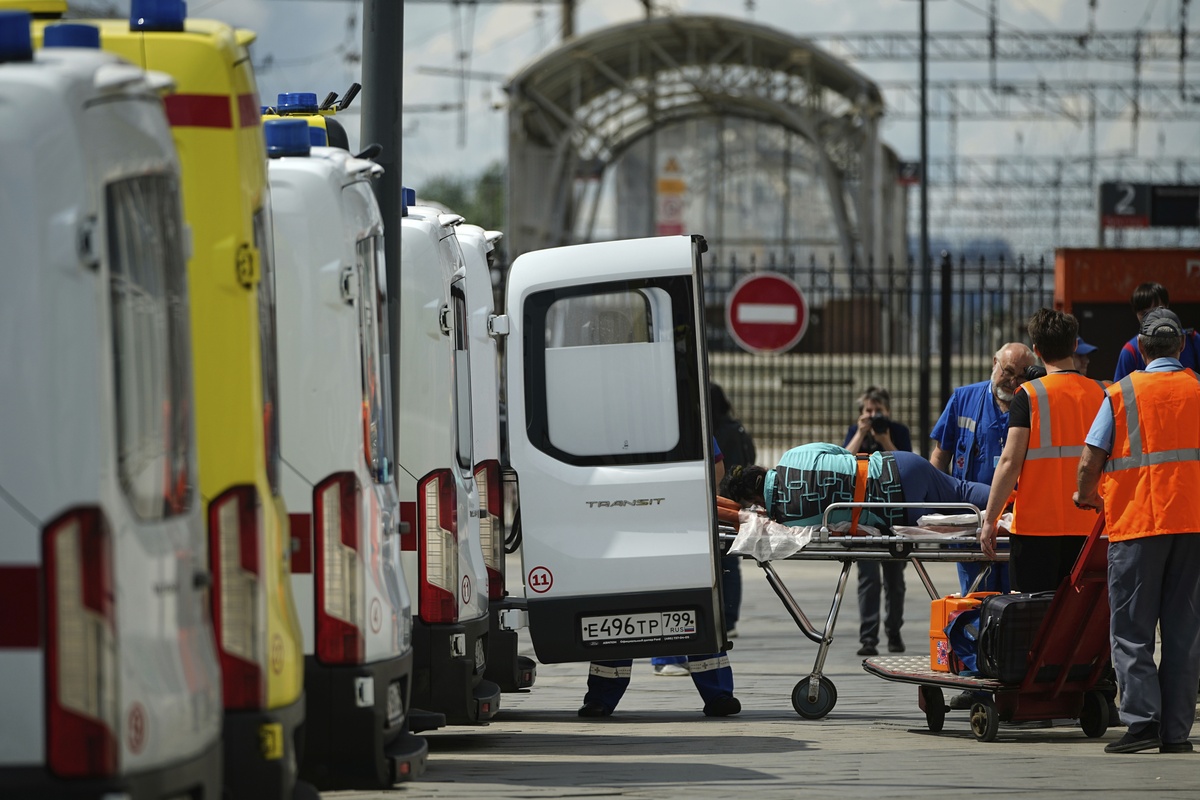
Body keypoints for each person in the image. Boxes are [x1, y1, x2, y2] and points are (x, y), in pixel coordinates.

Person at [1075, 307, 1200, 754]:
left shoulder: (1121, 393)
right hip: (1193, 526)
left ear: (1142, 348)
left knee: (1131, 628)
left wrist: (1085, 495)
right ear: (1182, 346)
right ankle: (1176, 733)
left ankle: (1142, 722)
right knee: (1185, 631)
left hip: (1138, 524)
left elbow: (1092, 458)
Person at [585, 438, 739, 716]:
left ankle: (601, 698)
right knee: (690, 606)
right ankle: (717, 694)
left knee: (623, 611)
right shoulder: (682, 408)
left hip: (625, 522)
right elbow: (716, 467)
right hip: (673, 522)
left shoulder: (607, 418)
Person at [979, 310, 1107, 594]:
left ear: (1036, 351)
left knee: (1032, 618)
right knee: (1081, 621)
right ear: (1075, 345)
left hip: (1035, 531)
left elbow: (1010, 462)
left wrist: (990, 520)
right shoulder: (1102, 392)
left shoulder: (1028, 395)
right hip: (1091, 526)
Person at [929, 342, 1038, 595]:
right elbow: (939, 456)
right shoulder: (964, 399)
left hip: (1019, 524)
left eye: (1021, 375)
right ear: (994, 363)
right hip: (974, 523)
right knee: (976, 602)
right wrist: (935, 510)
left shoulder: (1035, 404)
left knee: (1016, 604)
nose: (1012, 381)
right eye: (1008, 371)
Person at [724, 443, 991, 535]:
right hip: (898, 465)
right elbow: (843, 454)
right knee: (962, 492)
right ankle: (1015, 499)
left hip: (895, 511)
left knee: (963, 523)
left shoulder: (787, 519)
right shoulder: (793, 456)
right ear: (760, 471)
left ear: (753, 501)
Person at [841, 386, 912, 656]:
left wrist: (884, 440)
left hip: (893, 515)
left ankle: (894, 631)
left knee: (895, 580)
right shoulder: (855, 430)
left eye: (878, 411)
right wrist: (860, 433)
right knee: (868, 578)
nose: (873, 415)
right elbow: (842, 461)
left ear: (888, 411)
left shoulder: (898, 431)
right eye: (868, 411)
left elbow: (905, 464)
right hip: (863, 514)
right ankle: (868, 638)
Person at [651, 436, 726, 677]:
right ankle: (713, 689)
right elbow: (716, 466)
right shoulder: (686, 413)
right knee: (688, 591)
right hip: (684, 514)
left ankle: (667, 658)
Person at [711, 382, 755, 640]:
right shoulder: (733, 428)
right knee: (731, 562)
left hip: (716, 501)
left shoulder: (706, 429)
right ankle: (730, 618)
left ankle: (719, 615)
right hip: (734, 499)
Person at [1112, 281, 1200, 381]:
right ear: (1140, 346)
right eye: (1144, 313)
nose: (1152, 317)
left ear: (1182, 342)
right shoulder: (1130, 351)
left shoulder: (1193, 340)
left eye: (1157, 309)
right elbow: (1121, 392)